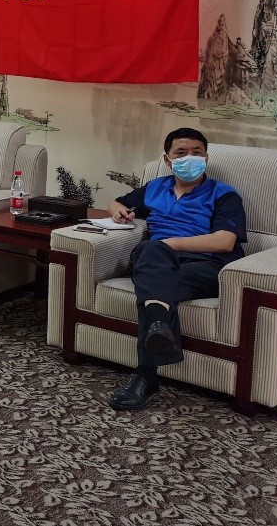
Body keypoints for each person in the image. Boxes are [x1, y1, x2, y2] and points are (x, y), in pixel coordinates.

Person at [106, 127, 247, 411]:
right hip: (158, 263)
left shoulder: (224, 194)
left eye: (197, 152)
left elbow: (225, 241)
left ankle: (147, 373)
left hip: (206, 266)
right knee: (152, 263)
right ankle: (153, 349)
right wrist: (117, 211)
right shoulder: (155, 188)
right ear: (167, 160)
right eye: (181, 153)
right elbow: (118, 202)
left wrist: (169, 244)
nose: (189, 158)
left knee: (151, 282)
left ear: (206, 158)